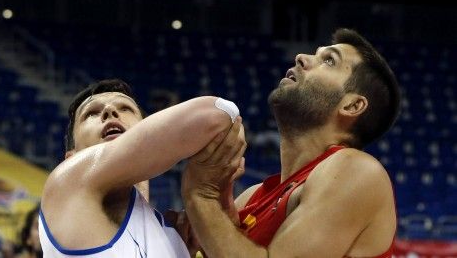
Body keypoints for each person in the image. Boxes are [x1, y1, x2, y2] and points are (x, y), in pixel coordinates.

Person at [181, 28, 401, 258]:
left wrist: (201, 197)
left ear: (352, 106)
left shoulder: (358, 170)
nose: (301, 57)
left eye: (329, 60)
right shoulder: (252, 196)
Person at [39, 79, 244, 257]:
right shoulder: (67, 183)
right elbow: (220, 111)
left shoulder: (173, 236)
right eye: (91, 113)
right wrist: (198, 185)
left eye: (126, 109)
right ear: (70, 158)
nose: (110, 112)